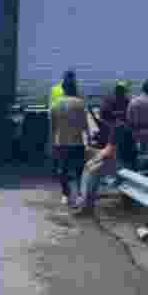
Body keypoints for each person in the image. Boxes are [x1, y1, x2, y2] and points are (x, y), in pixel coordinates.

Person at [49, 74, 89, 206]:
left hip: (61, 142)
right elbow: (85, 125)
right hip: (77, 142)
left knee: (63, 169)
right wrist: (88, 140)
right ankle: (79, 194)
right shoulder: (80, 103)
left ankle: (65, 195)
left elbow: (53, 126)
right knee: (79, 170)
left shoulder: (55, 105)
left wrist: (51, 143)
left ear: (63, 89)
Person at [100, 81, 135, 169]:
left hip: (122, 127)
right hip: (110, 126)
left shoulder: (126, 100)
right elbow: (104, 115)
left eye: (122, 89)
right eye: (119, 89)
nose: (121, 91)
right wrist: (119, 115)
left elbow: (129, 115)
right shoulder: (109, 99)